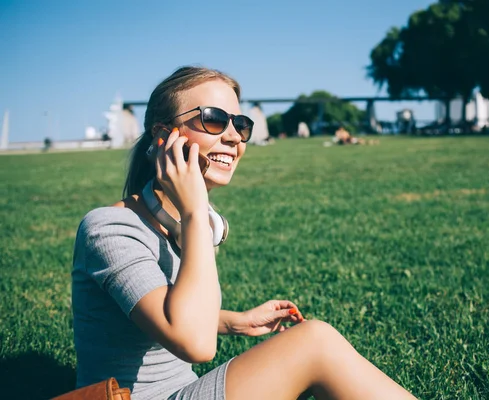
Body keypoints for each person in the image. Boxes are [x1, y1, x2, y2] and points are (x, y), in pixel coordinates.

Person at [71, 66, 416, 400]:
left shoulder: (189, 226)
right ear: (164, 136)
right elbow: (196, 343)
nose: (234, 136)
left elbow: (161, 309)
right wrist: (193, 212)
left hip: (180, 390)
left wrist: (236, 322)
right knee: (315, 343)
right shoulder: (110, 229)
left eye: (240, 124)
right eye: (214, 119)